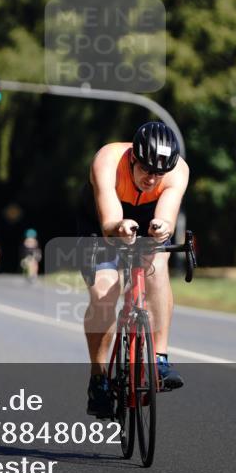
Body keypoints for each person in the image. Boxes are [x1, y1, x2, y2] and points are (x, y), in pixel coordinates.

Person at [76, 121, 189, 418]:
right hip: (104, 222)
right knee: (104, 290)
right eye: (146, 170)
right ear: (133, 159)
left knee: (158, 261)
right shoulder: (108, 160)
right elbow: (110, 220)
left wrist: (161, 228)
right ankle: (99, 378)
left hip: (147, 218)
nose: (152, 179)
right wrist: (119, 227)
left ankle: (160, 357)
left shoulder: (178, 171)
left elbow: (166, 214)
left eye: (159, 173)